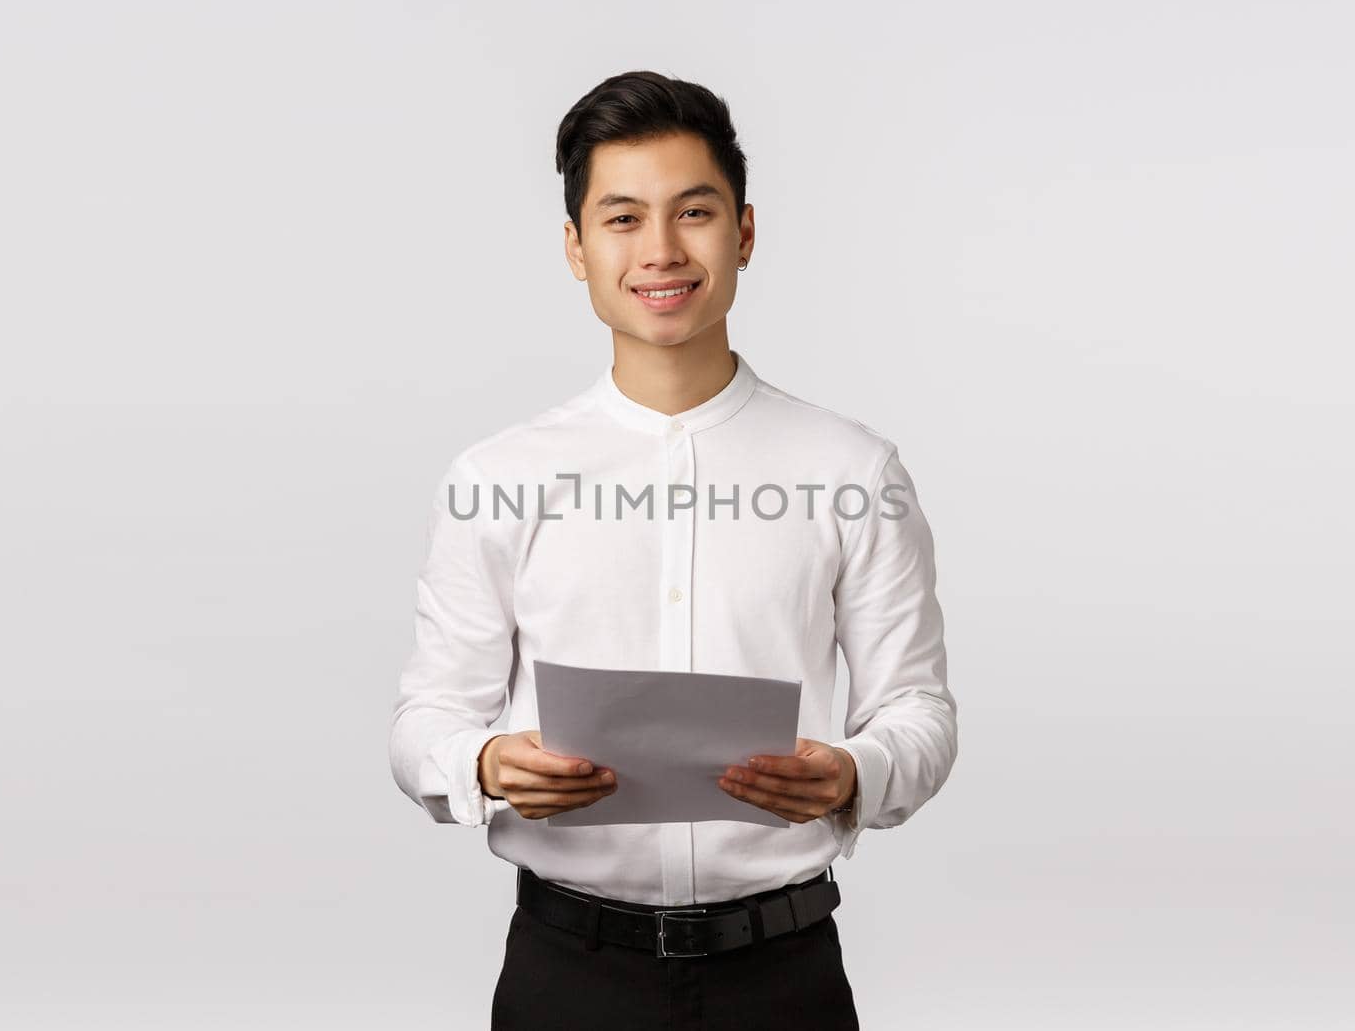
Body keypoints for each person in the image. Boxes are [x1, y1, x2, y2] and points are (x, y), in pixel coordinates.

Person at [388, 70, 958, 1030]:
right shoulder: (499, 475)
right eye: (621, 218)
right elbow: (424, 719)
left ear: (742, 231)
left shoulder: (853, 469)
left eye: (693, 211)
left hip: (783, 974)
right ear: (575, 246)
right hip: (567, 974)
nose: (660, 250)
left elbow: (918, 709)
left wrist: (856, 770)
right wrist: (482, 761)